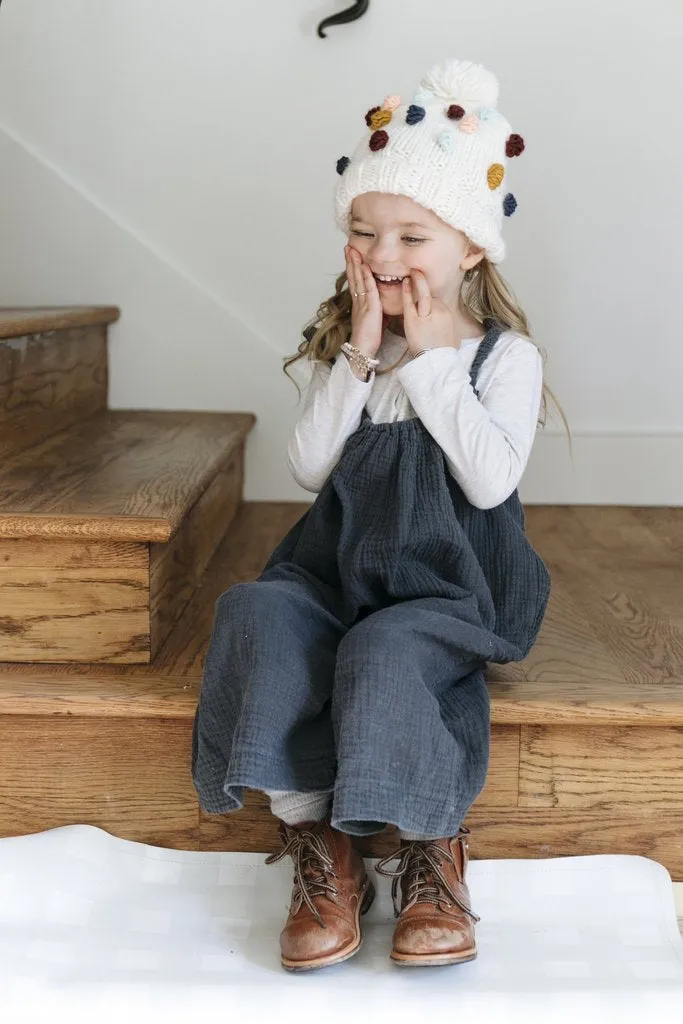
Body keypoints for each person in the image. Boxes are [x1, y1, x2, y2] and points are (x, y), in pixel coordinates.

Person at [192, 56, 564, 973]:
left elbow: (486, 483)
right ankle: (320, 843)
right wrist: (361, 358)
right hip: (335, 574)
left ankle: (434, 840)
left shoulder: (501, 360)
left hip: (447, 587)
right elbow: (311, 467)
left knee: (385, 651)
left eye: (412, 237)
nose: (386, 258)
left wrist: (431, 361)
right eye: (366, 233)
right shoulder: (350, 354)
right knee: (255, 608)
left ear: (470, 248)